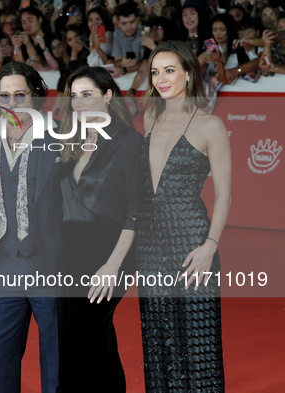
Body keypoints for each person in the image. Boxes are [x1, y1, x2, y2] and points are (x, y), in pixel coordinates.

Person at [136, 40, 231, 391]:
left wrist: (210, 245)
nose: (161, 79)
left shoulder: (210, 125)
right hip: (150, 245)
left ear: (189, 73)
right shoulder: (149, 116)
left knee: (198, 339)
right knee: (159, 341)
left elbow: (224, 193)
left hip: (192, 240)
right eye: (156, 72)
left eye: (169, 70)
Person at [0, 62, 64, 393]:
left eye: (20, 94)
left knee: (57, 360)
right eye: (4, 95)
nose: (12, 103)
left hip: (49, 264)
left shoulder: (59, 135)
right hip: (3, 264)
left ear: (37, 96)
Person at [57, 66, 143, 392]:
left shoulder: (129, 141)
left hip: (110, 252)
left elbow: (135, 211)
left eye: (87, 94)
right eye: (74, 96)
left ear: (108, 96)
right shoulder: (68, 139)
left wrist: (112, 266)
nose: (78, 103)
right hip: (69, 252)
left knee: (84, 336)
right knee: (89, 336)